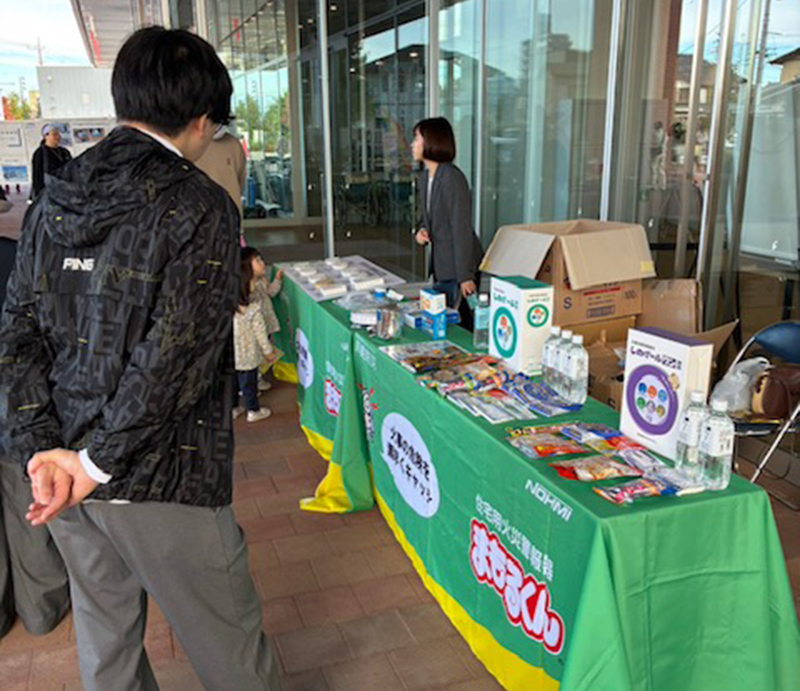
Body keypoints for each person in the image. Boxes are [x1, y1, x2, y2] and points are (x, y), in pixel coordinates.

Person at [0, 27, 281, 691]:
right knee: (229, 646)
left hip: (64, 477)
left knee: (107, 637)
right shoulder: (197, 205)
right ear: (202, 119)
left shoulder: (55, 198)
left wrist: (47, 454)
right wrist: (95, 463)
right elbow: (173, 357)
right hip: (164, 475)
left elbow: (16, 330)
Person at [412, 117, 483, 330]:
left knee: (461, 324)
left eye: (417, 138)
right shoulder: (427, 178)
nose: (412, 144)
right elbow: (428, 217)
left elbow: (460, 228)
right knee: (444, 322)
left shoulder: (452, 178)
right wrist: (420, 231)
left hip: (460, 265)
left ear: (432, 142)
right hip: (443, 264)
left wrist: (465, 277)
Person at [233, 247, 282, 422]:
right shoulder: (252, 307)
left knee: (235, 377)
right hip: (249, 350)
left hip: (235, 351)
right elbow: (260, 334)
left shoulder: (236, 297)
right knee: (249, 380)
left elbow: (270, 291)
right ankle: (253, 410)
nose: (263, 263)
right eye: (258, 260)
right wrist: (269, 352)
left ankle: (234, 407)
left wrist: (276, 281)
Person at [195, 124, 247, 245]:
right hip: (199, 225)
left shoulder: (233, 145)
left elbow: (240, 181)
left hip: (229, 224)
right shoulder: (188, 144)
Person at [30, 124, 72, 200]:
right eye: (54, 134)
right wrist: (39, 195)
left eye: (58, 134)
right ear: (46, 136)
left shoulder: (64, 152)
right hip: (49, 192)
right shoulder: (40, 153)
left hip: (65, 190)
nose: (58, 137)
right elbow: (37, 176)